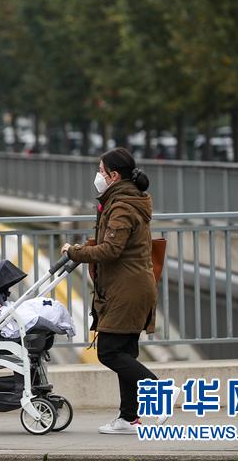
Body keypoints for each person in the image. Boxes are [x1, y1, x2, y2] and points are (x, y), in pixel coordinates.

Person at [60, 147, 179, 435]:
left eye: (101, 171)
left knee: (109, 352)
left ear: (114, 176)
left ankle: (162, 391)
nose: (98, 176)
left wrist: (75, 251)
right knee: (126, 352)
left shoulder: (123, 206)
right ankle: (129, 418)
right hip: (132, 285)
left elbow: (112, 250)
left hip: (127, 290)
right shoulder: (124, 200)